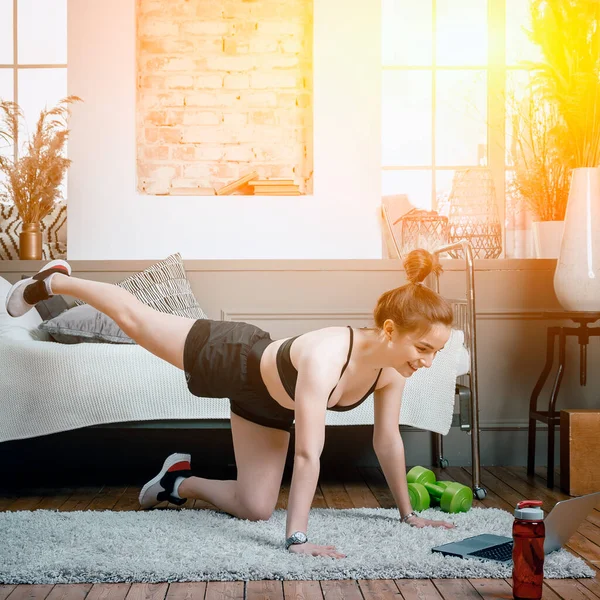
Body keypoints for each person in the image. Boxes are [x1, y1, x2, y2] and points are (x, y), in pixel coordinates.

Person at [6, 248, 457, 559]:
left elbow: (388, 442)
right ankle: (54, 280)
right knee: (137, 322)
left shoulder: (392, 372)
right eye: (423, 348)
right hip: (234, 357)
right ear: (391, 330)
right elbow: (307, 452)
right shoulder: (328, 356)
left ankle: (175, 483)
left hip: (266, 407)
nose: (429, 362)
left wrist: (408, 514)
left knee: (256, 507)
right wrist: (297, 537)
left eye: (436, 351)